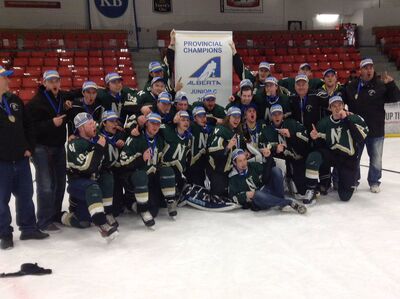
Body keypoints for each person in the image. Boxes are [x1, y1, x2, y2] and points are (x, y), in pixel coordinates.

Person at [0, 65, 49, 250]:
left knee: (26, 195)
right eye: (5, 77)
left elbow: (28, 126)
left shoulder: (15, 101)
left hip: (21, 159)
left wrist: (29, 147)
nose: (8, 80)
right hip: (1, 162)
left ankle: (28, 228)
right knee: (1, 200)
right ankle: (4, 233)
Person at [343, 58, 400, 193]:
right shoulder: (352, 86)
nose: (369, 70)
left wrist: (391, 84)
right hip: (357, 131)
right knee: (354, 158)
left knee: (376, 159)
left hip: (376, 130)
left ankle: (374, 181)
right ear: (360, 70)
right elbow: (341, 100)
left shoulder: (381, 85)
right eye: (365, 68)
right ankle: (354, 180)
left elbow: (396, 98)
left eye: (370, 67)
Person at [27, 70, 72, 232]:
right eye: (51, 81)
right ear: (44, 83)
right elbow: (30, 128)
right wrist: (51, 123)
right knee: (46, 184)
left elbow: (74, 94)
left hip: (59, 146)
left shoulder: (62, 98)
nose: (54, 84)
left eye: (57, 80)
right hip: (41, 148)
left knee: (60, 183)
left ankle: (54, 214)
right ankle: (44, 220)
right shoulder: (35, 103)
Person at [63, 113, 118, 241]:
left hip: (93, 183)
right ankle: (100, 223)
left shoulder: (96, 139)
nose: (94, 125)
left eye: (94, 122)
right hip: (78, 184)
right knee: (83, 222)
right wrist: (99, 148)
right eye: (90, 124)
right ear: (81, 128)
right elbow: (87, 167)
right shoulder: (75, 144)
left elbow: (105, 163)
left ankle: (107, 213)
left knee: (107, 177)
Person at [304, 96, 369, 203]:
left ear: (344, 106)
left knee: (345, 197)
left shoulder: (354, 118)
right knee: (314, 156)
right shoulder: (324, 123)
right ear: (330, 108)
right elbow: (320, 146)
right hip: (333, 155)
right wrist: (315, 138)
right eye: (334, 106)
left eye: (339, 105)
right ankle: (311, 188)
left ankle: (341, 181)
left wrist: (346, 119)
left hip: (348, 159)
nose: (337, 108)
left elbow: (360, 138)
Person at [119, 113, 176, 227]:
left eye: (158, 124)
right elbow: (123, 162)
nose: (155, 126)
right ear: (146, 124)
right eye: (152, 123)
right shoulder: (135, 138)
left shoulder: (159, 139)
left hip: (151, 178)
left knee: (167, 170)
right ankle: (136, 205)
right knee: (141, 177)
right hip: (136, 178)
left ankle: (170, 201)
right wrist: (141, 159)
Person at [228, 149, 307, 214]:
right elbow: (233, 198)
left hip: (266, 190)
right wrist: (246, 195)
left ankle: (281, 202)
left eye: (244, 159)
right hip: (258, 200)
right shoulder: (233, 178)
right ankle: (288, 202)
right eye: (240, 161)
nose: (244, 163)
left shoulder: (252, 166)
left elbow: (268, 169)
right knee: (257, 194)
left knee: (275, 170)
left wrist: (269, 157)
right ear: (235, 163)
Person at [259, 104, 310, 198]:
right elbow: (261, 146)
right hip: (278, 162)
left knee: (301, 190)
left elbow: (306, 140)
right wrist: (274, 148)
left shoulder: (292, 124)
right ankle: (279, 184)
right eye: (274, 114)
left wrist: (291, 135)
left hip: (295, 159)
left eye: (279, 114)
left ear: (283, 115)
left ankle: (292, 181)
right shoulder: (266, 130)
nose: (277, 116)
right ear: (271, 116)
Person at [207, 106, 244, 197]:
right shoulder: (220, 130)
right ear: (228, 117)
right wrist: (227, 147)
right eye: (234, 117)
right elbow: (212, 151)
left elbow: (241, 148)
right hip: (217, 171)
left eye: (238, 117)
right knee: (219, 193)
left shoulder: (238, 132)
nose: (236, 120)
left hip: (232, 170)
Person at [160, 110, 192, 216]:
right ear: (177, 121)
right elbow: (154, 124)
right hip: (163, 169)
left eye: (187, 120)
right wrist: (170, 120)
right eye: (182, 120)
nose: (185, 122)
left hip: (177, 171)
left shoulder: (189, 138)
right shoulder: (167, 130)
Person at [186, 106, 211, 187]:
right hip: (192, 166)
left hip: (203, 166)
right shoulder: (192, 127)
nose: (203, 118)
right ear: (194, 118)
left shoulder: (208, 129)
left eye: (204, 116)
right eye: (199, 116)